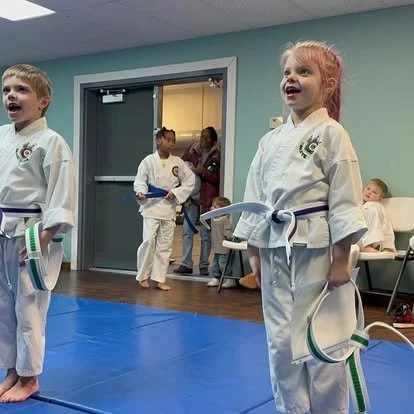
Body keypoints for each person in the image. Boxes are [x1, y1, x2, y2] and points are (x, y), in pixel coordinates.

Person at [232, 41, 367, 413]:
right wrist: (253, 250)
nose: (291, 78)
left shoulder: (332, 134)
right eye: (287, 72)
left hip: (318, 251)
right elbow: (256, 196)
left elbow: (345, 200)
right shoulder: (270, 140)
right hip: (275, 248)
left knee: (322, 341)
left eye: (303, 71)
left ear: (328, 85)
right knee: (279, 342)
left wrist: (341, 261)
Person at [0, 64, 76, 402]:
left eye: (21, 89)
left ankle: (29, 377)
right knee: (3, 305)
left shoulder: (52, 142)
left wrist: (42, 240)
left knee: (28, 305)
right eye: (6, 90)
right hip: (2, 230)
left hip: (32, 235)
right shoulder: (2, 136)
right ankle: (11, 370)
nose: (11, 95)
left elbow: (61, 194)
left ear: (43, 101)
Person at [134, 127, 195, 291]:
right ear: (158, 140)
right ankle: (143, 276)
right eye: (168, 140)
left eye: (173, 141)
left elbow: (190, 180)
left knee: (165, 245)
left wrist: (175, 192)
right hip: (151, 207)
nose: (171, 143)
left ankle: (160, 278)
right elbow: (140, 180)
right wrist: (140, 192)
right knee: (148, 241)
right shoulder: (148, 161)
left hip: (168, 208)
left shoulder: (178, 162)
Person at [174, 127, 220, 276]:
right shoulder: (192, 150)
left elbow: (217, 177)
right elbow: (180, 167)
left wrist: (203, 172)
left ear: (213, 140)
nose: (203, 139)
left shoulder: (217, 154)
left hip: (207, 199)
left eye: (207, 137)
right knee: (187, 231)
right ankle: (186, 264)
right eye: (202, 136)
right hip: (190, 198)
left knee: (206, 234)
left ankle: (204, 265)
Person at [206, 196, 237, 288]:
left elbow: (228, 232)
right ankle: (217, 277)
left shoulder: (224, 220)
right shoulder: (213, 219)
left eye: (215, 207)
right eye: (212, 206)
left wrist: (230, 237)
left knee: (223, 264)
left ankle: (230, 278)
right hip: (216, 247)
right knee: (215, 264)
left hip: (224, 248)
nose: (212, 208)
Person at [359, 178, 396, 252]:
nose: (369, 192)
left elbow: (387, 228)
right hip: (357, 241)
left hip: (373, 243)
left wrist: (387, 247)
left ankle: (369, 245)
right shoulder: (357, 204)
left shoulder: (377, 208)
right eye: (368, 188)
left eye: (374, 192)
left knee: (372, 208)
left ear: (380, 198)